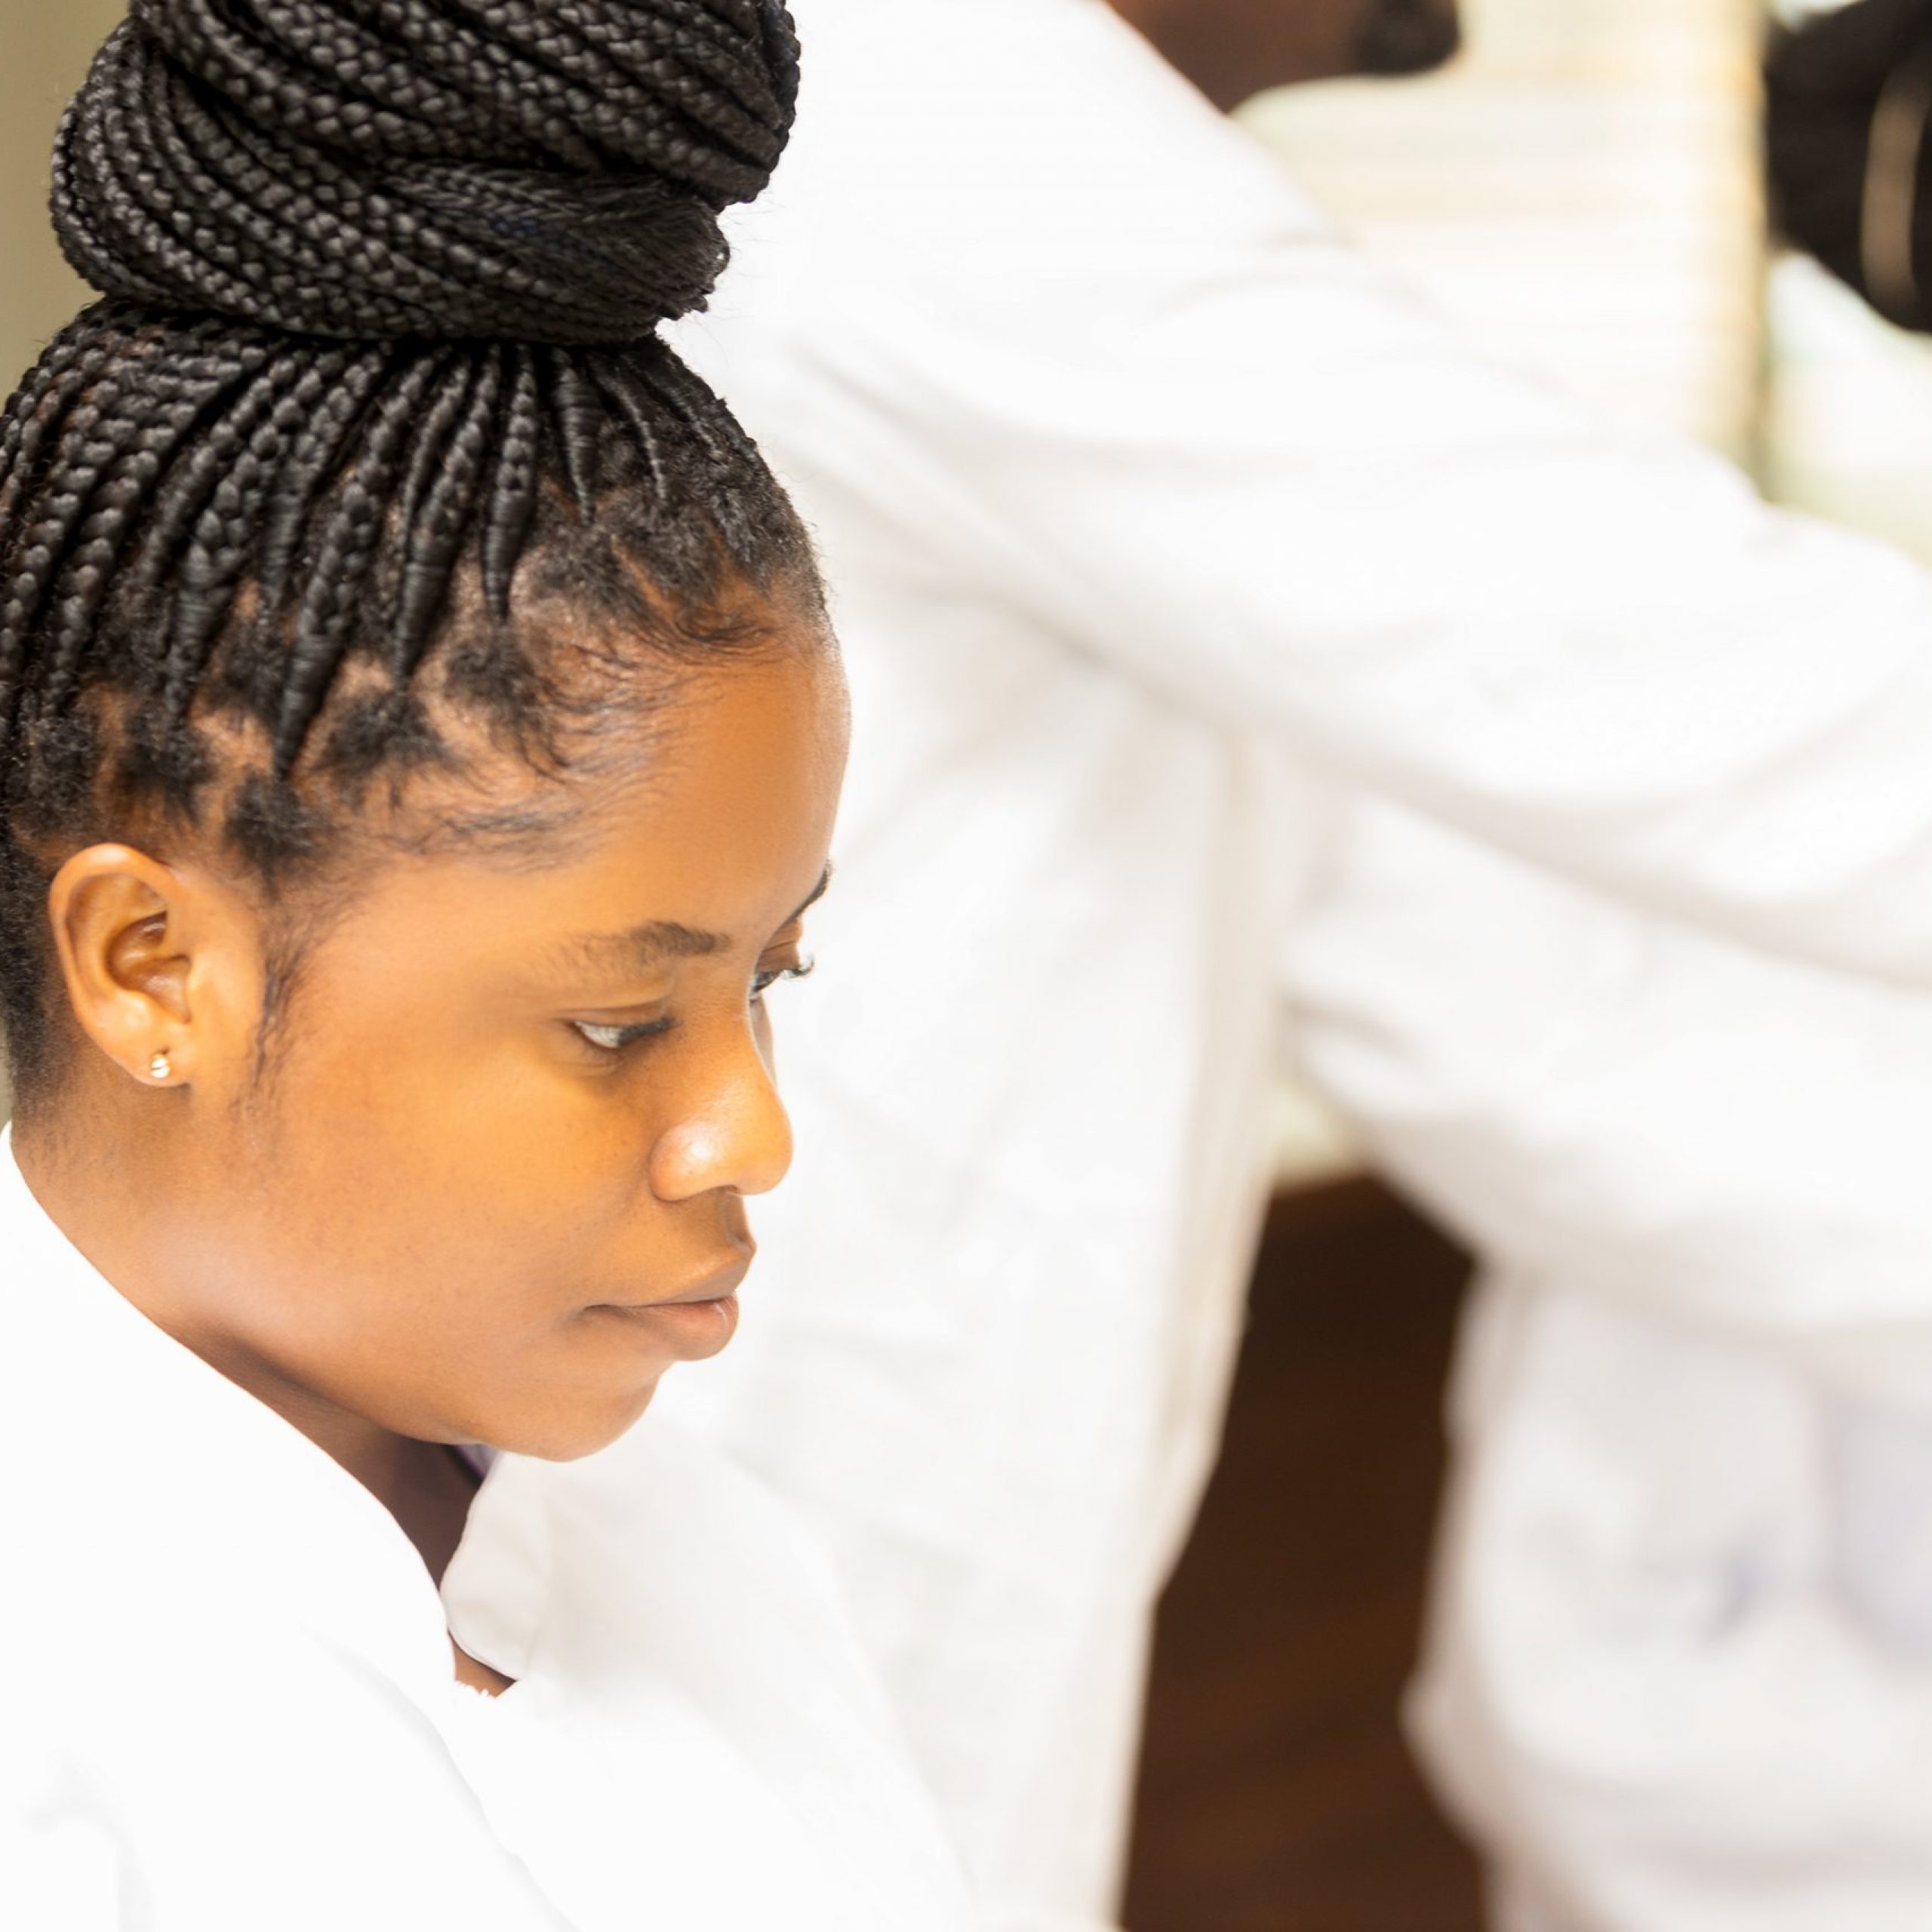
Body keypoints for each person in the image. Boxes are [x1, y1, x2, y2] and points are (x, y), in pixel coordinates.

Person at [649, 0, 1932, 1926]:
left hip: (872, 1564)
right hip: (724, 1528)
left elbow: (1533, 964)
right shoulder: (931, 138)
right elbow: (1683, 695)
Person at [0, 3, 973, 1928]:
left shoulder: (701, 1550)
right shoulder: (57, 1711)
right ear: (153, 965)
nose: (751, 1133)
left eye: (769, 978)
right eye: (615, 1020)